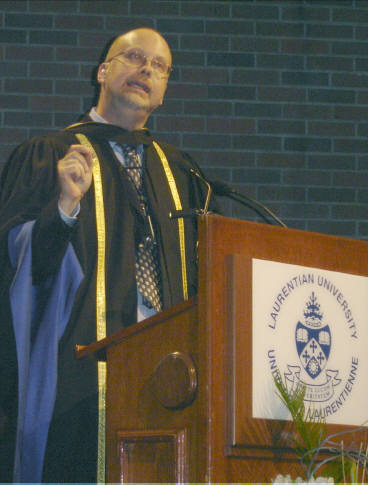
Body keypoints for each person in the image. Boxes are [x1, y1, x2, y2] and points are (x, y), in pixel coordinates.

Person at [0, 28, 211, 483]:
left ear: (165, 90)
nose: (146, 70)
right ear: (103, 70)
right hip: (78, 376)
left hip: (168, 375)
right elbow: (14, 263)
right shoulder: (50, 155)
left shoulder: (181, 173)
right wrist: (63, 209)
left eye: (159, 67)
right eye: (134, 58)